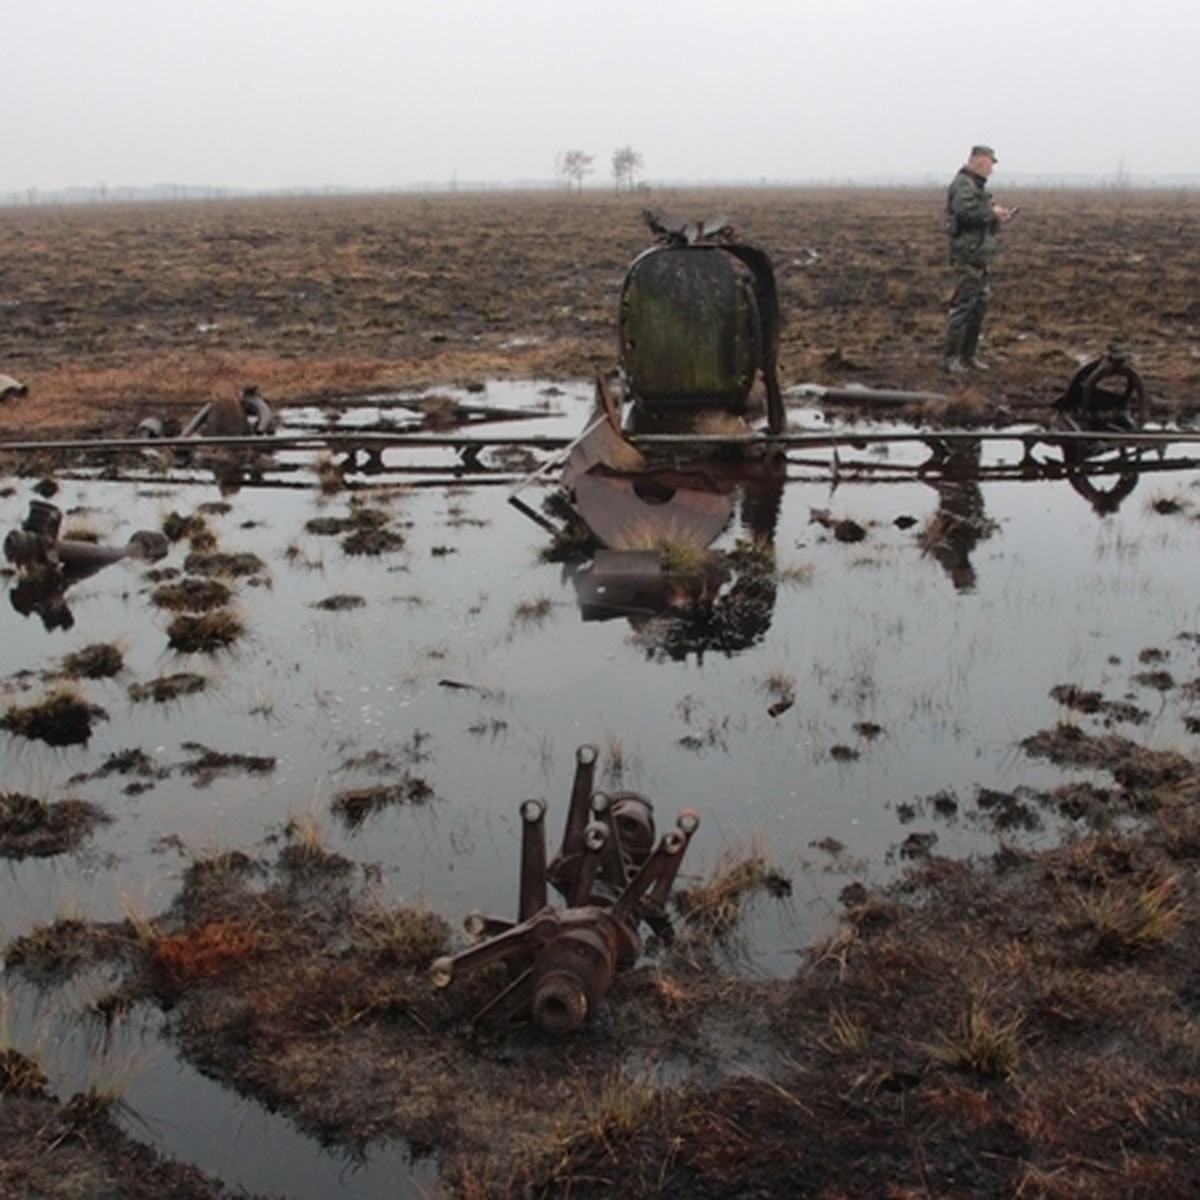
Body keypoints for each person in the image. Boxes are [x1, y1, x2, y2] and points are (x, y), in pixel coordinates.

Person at [943, 145, 1016, 373]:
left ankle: (969, 356)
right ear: (977, 161)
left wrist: (997, 215)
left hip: (979, 256)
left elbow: (979, 212)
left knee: (978, 307)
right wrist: (991, 213)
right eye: (989, 163)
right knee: (963, 306)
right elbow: (965, 212)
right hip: (968, 256)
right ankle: (951, 358)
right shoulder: (964, 184)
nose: (991, 169)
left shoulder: (976, 187)